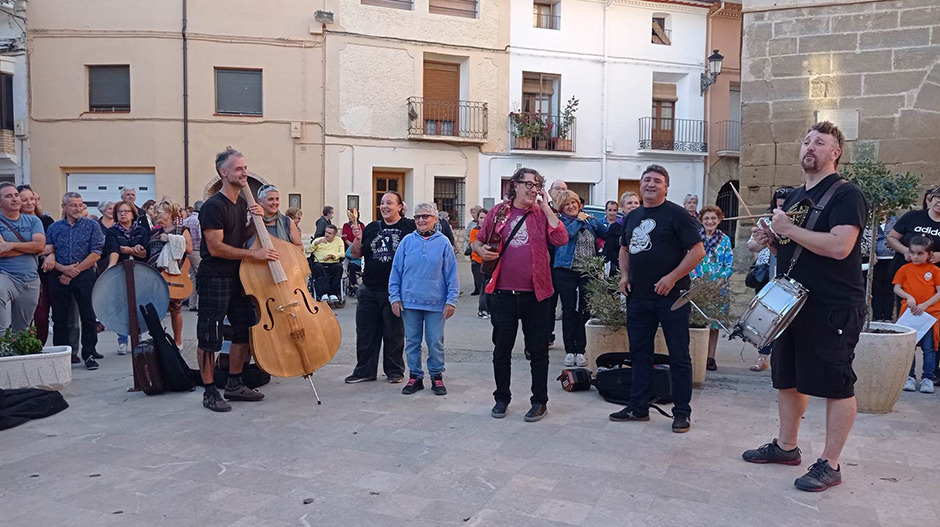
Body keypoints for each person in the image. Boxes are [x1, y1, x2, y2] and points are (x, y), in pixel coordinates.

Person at [743, 121, 868, 493]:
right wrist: (771, 239)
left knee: (836, 384)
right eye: (807, 141)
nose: (810, 146)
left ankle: (830, 463)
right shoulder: (797, 196)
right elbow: (799, 248)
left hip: (832, 306)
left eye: (820, 142)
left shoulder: (847, 195)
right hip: (792, 303)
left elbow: (839, 246)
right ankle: (786, 446)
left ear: (836, 152)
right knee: (788, 377)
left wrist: (789, 229)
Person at [609, 164, 704, 434]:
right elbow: (624, 249)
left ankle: (682, 413)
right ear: (640, 184)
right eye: (647, 179)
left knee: (679, 355)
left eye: (657, 181)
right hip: (638, 297)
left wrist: (672, 277)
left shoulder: (677, 215)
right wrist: (624, 276)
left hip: (672, 297)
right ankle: (638, 407)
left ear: (666, 187)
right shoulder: (632, 216)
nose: (651, 184)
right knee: (639, 353)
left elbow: (697, 252)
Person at [473, 167, 568, 422]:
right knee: (501, 351)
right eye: (528, 184)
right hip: (503, 293)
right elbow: (478, 241)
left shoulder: (541, 214)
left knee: (538, 352)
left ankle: (539, 402)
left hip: (536, 295)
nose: (533, 189)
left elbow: (561, 238)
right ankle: (501, 399)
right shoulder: (498, 212)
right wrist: (481, 251)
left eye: (537, 185)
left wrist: (547, 206)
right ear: (514, 185)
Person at [195, 147, 272, 412]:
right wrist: (256, 254)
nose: (244, 172)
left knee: (244, 330)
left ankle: (234, 384)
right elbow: (216, 248)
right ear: (223, 172)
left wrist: (255, 222)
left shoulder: (241, 203)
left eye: (245, 167)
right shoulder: (213, 206)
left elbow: (237, 237)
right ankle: (209, 392)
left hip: (239, 277)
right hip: (214, 277)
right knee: (209, 337)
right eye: (238, 168)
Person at [345, 191, 415, 384]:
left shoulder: (409, 227)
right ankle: (364, 371)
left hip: (395, 291)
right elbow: (355, 254)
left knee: (393, 332)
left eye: (389, 203)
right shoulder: (371, 227)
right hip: (368, 288)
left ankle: (394, 371)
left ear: (400, 206)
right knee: (365, 332)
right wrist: (358, 238)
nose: (384, 206)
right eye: (382, 203)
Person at [389, 202, 459, 396]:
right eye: (418, 216)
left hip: (436, 303)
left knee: (435, 341)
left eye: (425, 216)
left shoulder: (444, 242)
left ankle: (436, 376)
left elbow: (452, 274)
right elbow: (396, 272)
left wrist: (451, 300)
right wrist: (394, 298)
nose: (421, 220)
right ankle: (415, 376)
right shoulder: (406, 242)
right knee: (412, 341)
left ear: (435, 219)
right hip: (409, 302)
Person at [42, 192, 105, 369]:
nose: (78, 208)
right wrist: (63, 269)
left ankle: (89, 353)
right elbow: (48, 250)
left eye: (80, 205)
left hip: (83, 274)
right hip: (58, 275)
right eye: (73, 205)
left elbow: (96, 253)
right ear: (64, 207)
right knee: (60, 318)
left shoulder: (92, 226)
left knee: (88, 316)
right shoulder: (54, 227)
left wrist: (72, 272)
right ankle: (63, 356)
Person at [553, 189, 607, 367]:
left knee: (584, 311)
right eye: (566, 204)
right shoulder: (560, 223)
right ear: (561, 208)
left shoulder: (589, 221)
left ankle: (581, 351)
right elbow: (565, 235)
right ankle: (570, 351)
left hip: (587, 272)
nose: (571, 206)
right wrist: (578, 220)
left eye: (573, 203)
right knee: (569, 311)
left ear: (579, 204)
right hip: (565, 271)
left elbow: (606, 234)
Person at [746, 186, 794, 372]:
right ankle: (763, 356)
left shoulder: (797, 222)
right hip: (767, 272)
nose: (781, 210)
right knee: (766, 317)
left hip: (790, 275)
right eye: (778, 206)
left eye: (785, 206)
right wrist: (765, 239)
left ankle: (785, 359)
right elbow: (751, 245)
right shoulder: (765, 220)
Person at [893, 236, 939, 394]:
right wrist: (909, 297)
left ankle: (927, 377)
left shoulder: (935, 271)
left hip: (929, 315)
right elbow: (897, 288)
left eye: (920, 254)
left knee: (929, 348)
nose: (916, 257)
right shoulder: (904, 269)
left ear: (929, 254)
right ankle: (909, 376)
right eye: (913, 253)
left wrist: (925, 304)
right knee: (909, 346)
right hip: (909, 313)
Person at [691, 205, 733, 372]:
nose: (710, 221)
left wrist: (719, 283)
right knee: (697, 322)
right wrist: (695, 280)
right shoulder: (695, 238)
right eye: (706, 218)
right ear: (701, 220)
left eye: (713, 218)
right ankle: (696, 355)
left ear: (719, 220)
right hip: (698, 287)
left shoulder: (725, 240)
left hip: (717, 289)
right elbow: (690, 259)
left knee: (713, 324)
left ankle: (710, 357)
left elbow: (729, 264)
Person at [0, 183, 45, 334]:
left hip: (30, 279)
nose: (15, 199)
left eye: (16, 195)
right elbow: (1, 251)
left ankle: (17, 357)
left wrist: (11, 245)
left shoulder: (34, 221)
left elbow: (39, 247)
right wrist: (29, 248)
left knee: (21, 330)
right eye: (8, 196)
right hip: (5, 275)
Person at [148, 199, 193, 347]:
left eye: (159, 212)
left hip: (174, 274)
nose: (156, 214)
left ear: (169, 214)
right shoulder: (154, 230)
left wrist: (171, 239)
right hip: (155, 272)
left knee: (176, 309)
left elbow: (189, 249)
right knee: (155, 309)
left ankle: (178, 341)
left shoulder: (182, 229)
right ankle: (158, 340)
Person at [104, 201, 148, 354]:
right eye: (120, 212)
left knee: (139, 304)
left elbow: (144, 253)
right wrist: (111, 267)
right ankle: (122, 340)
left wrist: (129, 250)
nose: (123, 214)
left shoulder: (142, 230)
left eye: (126, 211)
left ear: (133, 213)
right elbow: (115, 249)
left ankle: (139, 336)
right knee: (121, 306)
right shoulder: (112, 231)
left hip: (139, 271)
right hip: (120, 271)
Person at [18, 186, 54, 344]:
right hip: (19, 272)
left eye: (32, 199)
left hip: (44, 272)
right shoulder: (10, 222)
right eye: (24, 200)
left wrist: (51, 255)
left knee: (41, 314)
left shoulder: (46, 221)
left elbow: (54, 245)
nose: (29, 203)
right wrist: (37, 248)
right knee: (19, 314)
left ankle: (38, 347)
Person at [605, 191, 640, 277]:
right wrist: (623, 266)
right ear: (622, 207)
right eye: (629, 203)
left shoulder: (644, 225)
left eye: (636, 203)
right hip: (619, 272)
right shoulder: (615, 227)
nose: (633, 205)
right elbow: (610, 251)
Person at [308, 224, 345, 303]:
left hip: (333, 262)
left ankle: (333, 293)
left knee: (339, 267)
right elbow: (307, 251)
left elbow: (342, 254)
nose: (326, 235)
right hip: (319, 262)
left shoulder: (339, 241)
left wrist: (334, 256)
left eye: (329, 233)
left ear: (335, 234)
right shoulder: (318, 240)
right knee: (318, 268)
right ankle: (323, 294)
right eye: (326, 232)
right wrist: (315, 244)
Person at [182, 200, 204, 312]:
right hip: (197, 251)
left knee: (192, 279)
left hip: (187, 251)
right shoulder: (199, 220)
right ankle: (200, 304)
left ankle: (192, 304)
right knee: (201, 277)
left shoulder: (186, 220)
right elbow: (201, 237)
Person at [469, 208, 488, 305]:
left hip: (489, 262)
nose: (483, 220)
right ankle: (483, 308)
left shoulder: (492, 231)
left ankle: (489, 307)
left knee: (489, 287)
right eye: (481, 217)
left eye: (485, 217)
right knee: (482, 286)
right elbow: (473, 245)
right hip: (477, 261)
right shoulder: (474, 231)